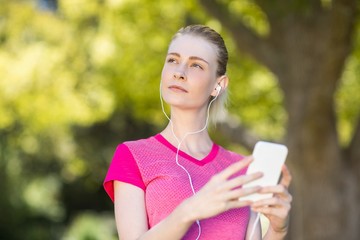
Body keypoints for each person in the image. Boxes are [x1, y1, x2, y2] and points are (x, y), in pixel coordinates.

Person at [103, 24, 292, 240]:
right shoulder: (134, 156)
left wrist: (278, 230)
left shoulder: (239, 169)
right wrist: (190, 211)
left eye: (196, 65)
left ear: (218, 85)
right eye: (172, 60)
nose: (179, 73)